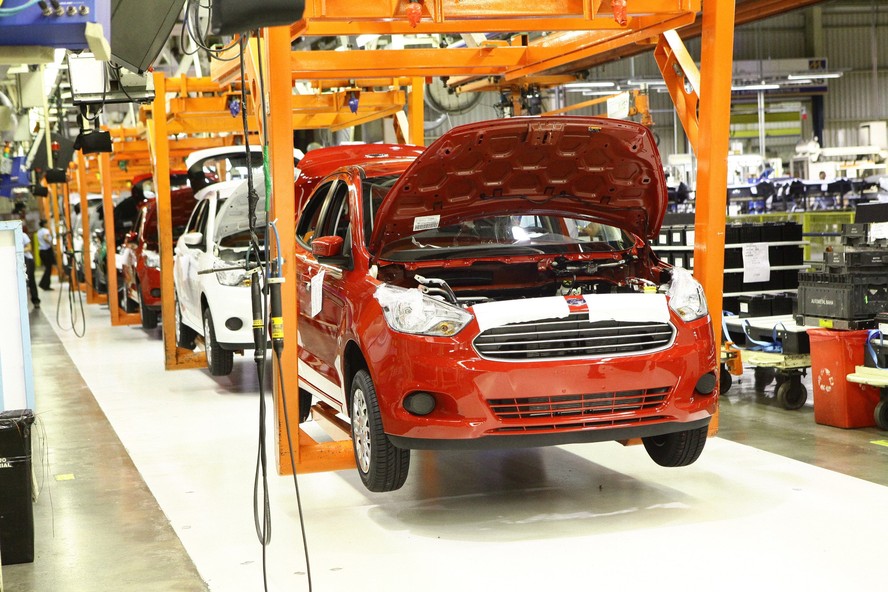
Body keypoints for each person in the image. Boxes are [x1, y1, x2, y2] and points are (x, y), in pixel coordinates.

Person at [37, 219, 55, 291]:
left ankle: (45, 284)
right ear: (44, 224)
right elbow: (45, 238)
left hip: (41, 251)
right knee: (48, 268)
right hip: (46, 251)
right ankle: (44, 284)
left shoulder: (39, 231)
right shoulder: (45, 230)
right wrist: (51, 244)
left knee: (47, 268)